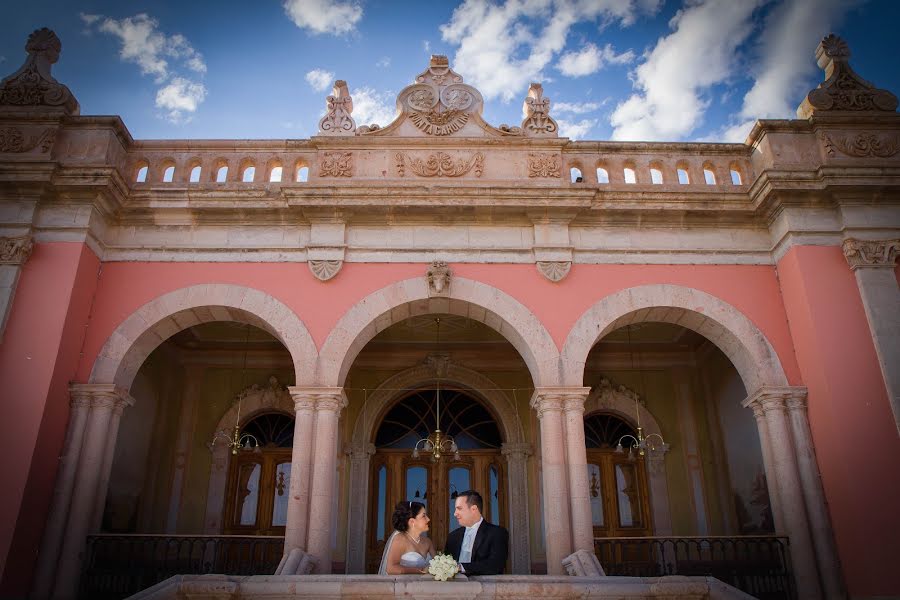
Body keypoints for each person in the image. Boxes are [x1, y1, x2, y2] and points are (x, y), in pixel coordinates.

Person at [445, 490, 508, 576]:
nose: (455, 514)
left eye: (459, 508)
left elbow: (495, 565)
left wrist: (461, 567)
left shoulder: (497, 533)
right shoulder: (453, 537)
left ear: (474, 509)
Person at [378, 500, 436, 575]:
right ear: (412, 522)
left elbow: (438, 564)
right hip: (405, 585)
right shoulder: (400, 540)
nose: (428, 519)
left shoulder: (428, 542)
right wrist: (421, 570)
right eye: (424, 516)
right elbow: (391, 569)